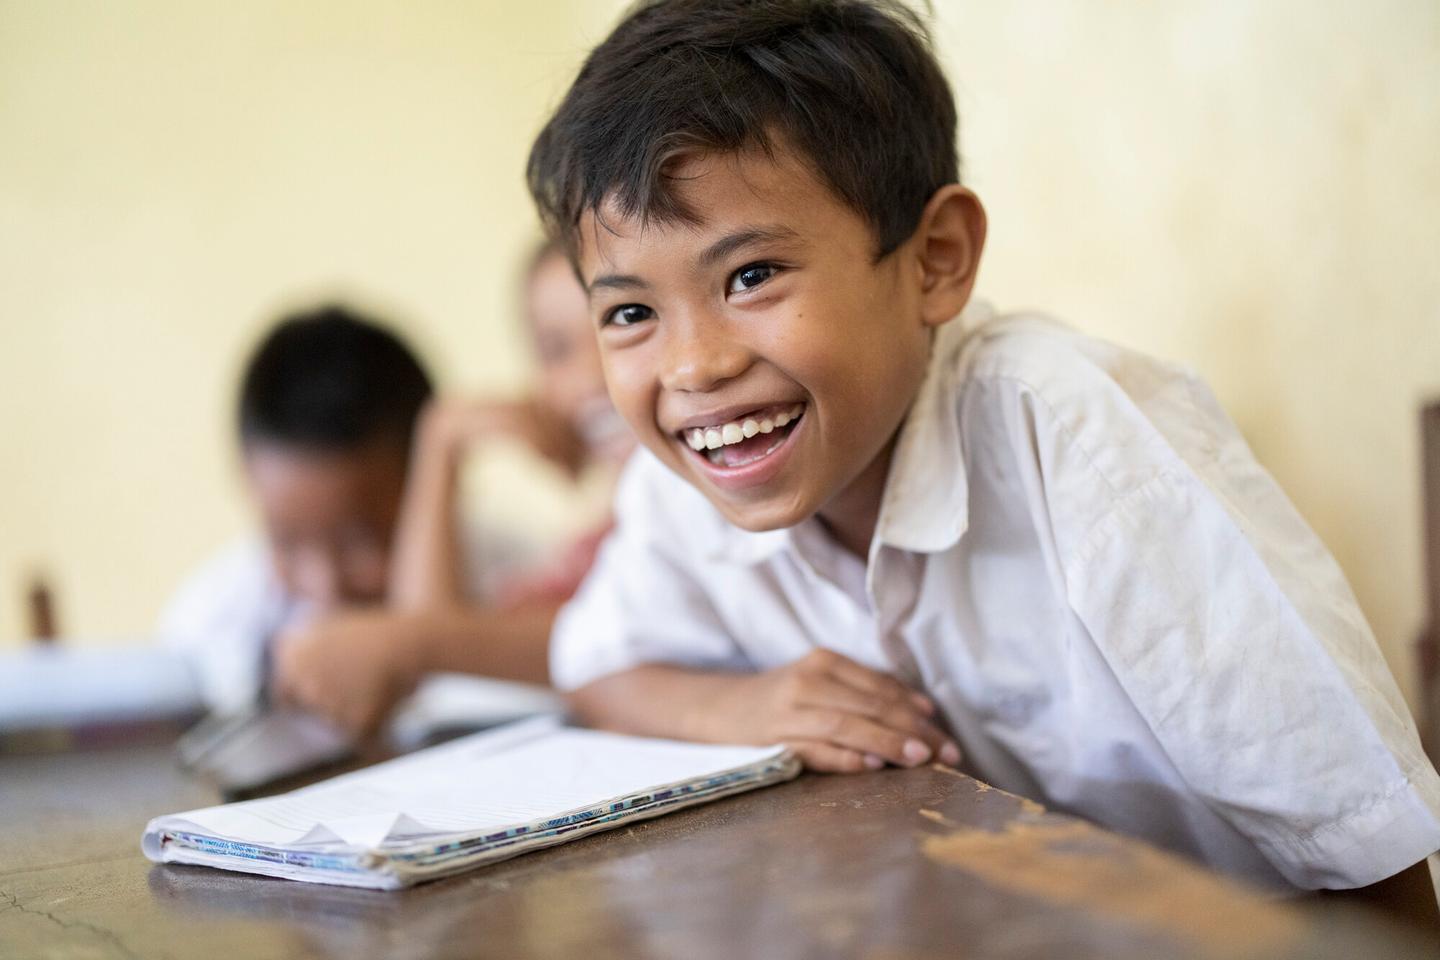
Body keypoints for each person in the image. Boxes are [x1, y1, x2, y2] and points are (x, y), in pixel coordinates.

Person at [525, 0, 1440, 922]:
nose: (694, 367)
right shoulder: (682, 484)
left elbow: (1363, 851)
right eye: (631, 312)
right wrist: (745, 709)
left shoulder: (1082, 444)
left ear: (935, 260)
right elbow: (598, 668)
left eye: (751, 275)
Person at [269, 245, 634, 734]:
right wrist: (440, 440)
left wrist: (402, 642)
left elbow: (615, 642)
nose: (591, 375)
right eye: (556, 349)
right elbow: (437, 650)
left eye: (625, 319)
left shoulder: (699, 515)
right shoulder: (591, 550)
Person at [158, 305, 544, 727]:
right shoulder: (207, 623)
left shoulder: (523, 581)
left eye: (361, 541)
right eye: (285, 540)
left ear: (435, 491)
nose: (325, 584)